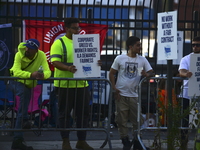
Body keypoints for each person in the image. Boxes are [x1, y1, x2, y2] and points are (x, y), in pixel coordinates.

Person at [50, 17, 100, 150]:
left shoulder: (83, 42)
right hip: (64, 85)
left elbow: (89, 60)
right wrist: (68, 68)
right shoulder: (59, 43)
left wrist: (96, 63)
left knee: (83, 114)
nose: (78, 30)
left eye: (78, 28)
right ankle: (65, 141)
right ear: (67, 29)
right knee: (64, 114)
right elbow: (55, 61)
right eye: (75, 28)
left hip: (82, 85)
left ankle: (81, 141)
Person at [109, 36, 154, 150]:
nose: (140, 47)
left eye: (140, 45)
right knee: (121, 120)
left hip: (134, 95)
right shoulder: (120, 58)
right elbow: (111, 73)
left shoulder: (142, 60)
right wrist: (114, 87)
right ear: (130, 46)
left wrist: (147, 75)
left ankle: (137, 140)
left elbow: (151, 72)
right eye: (138, 45)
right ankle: (125, 141)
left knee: (137, 120)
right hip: (121, 94)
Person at [8, 39, 51, 150]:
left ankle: (18, 140)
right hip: (15, 81)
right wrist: (31, 74)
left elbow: (48, 71)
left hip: (28, 83)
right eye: (27, 47)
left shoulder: (41, 55)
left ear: (36, 50)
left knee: (24, 99)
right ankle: (24, 121)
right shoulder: (19, 54)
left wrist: (43, 76)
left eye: (30, 49)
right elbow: (16, 71)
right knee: (24, 93)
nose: (27, 49)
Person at [178, 36, 200, 150]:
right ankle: (183, 145)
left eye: (197, 45)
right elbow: (181, 71)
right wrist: (186, 74)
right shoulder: (186, 58)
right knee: (185, 122)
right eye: (193, 45)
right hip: (187, 93)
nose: (195, 47)